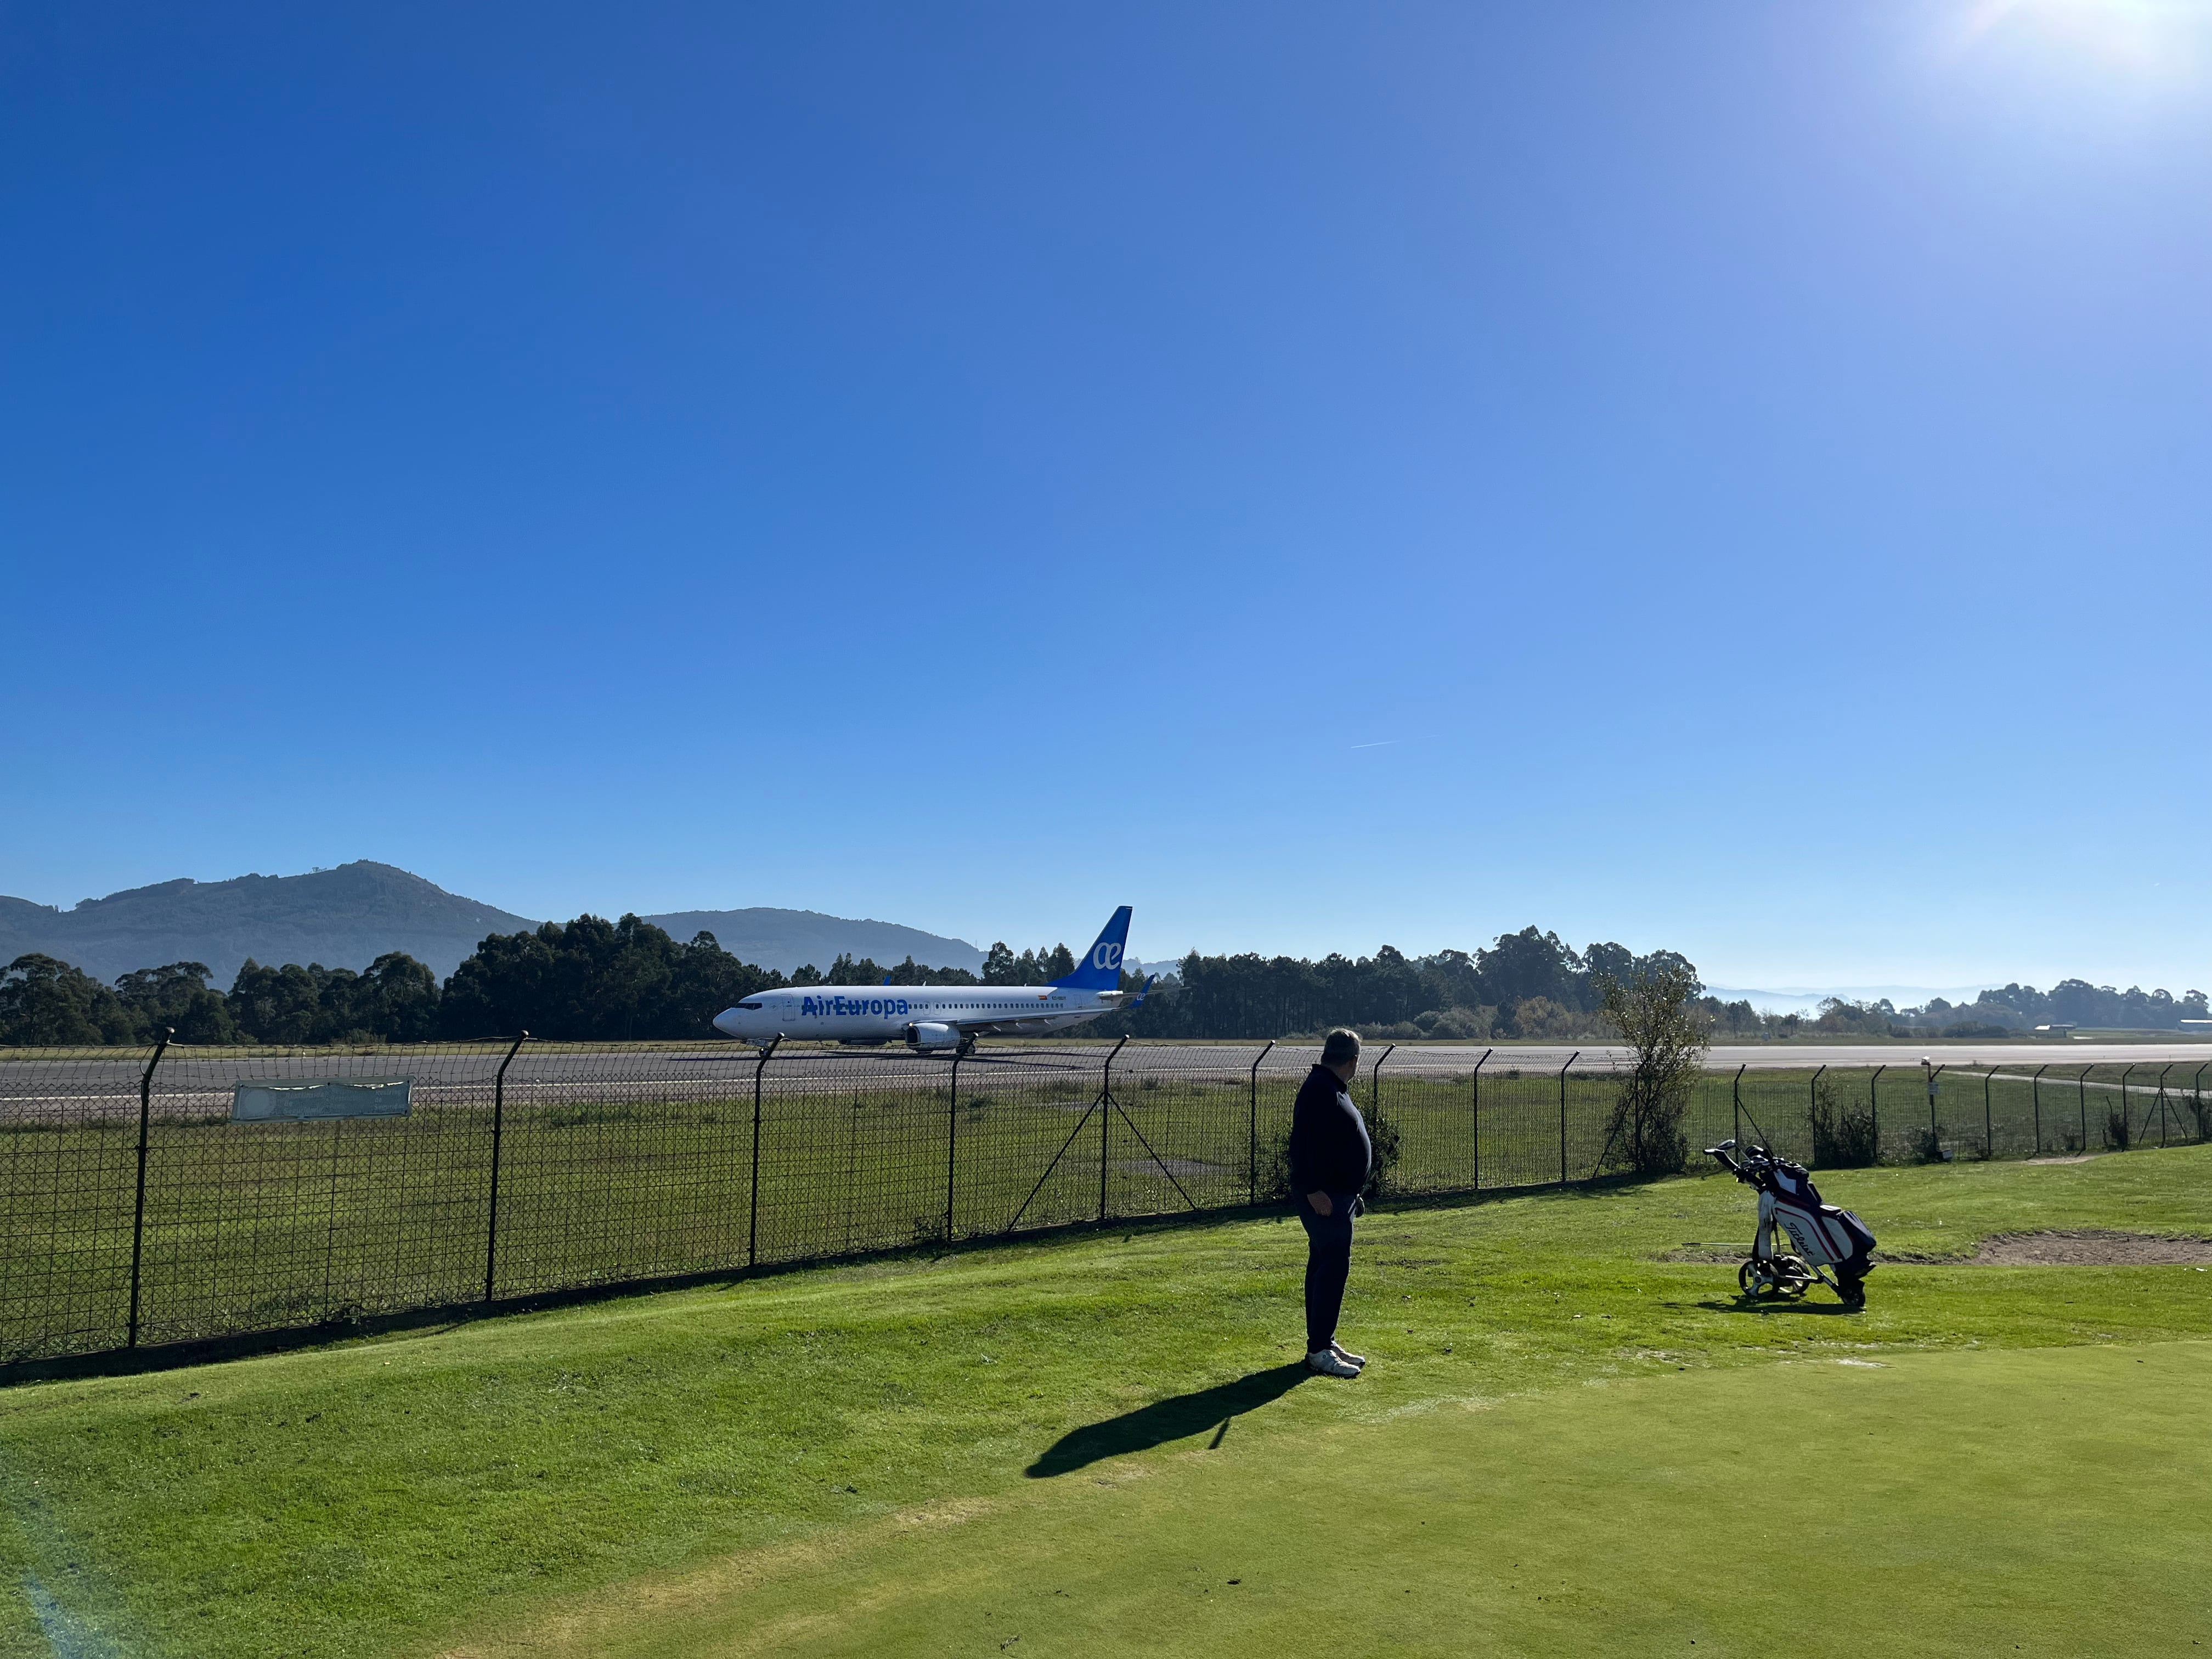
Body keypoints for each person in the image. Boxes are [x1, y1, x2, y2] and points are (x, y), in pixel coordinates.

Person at [1288, 1028, 1371, 1378]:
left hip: (1339, 1197)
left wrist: (1351, 1192)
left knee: (1324, 1264)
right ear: (1352, 1061)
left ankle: (1322, 1340)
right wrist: (1314, 1191)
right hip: (1324, 1199)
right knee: (1332, 1268)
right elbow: (1302, 1147)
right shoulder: (1321, 1090)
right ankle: (1319, 1350)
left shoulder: (1327, 1086)